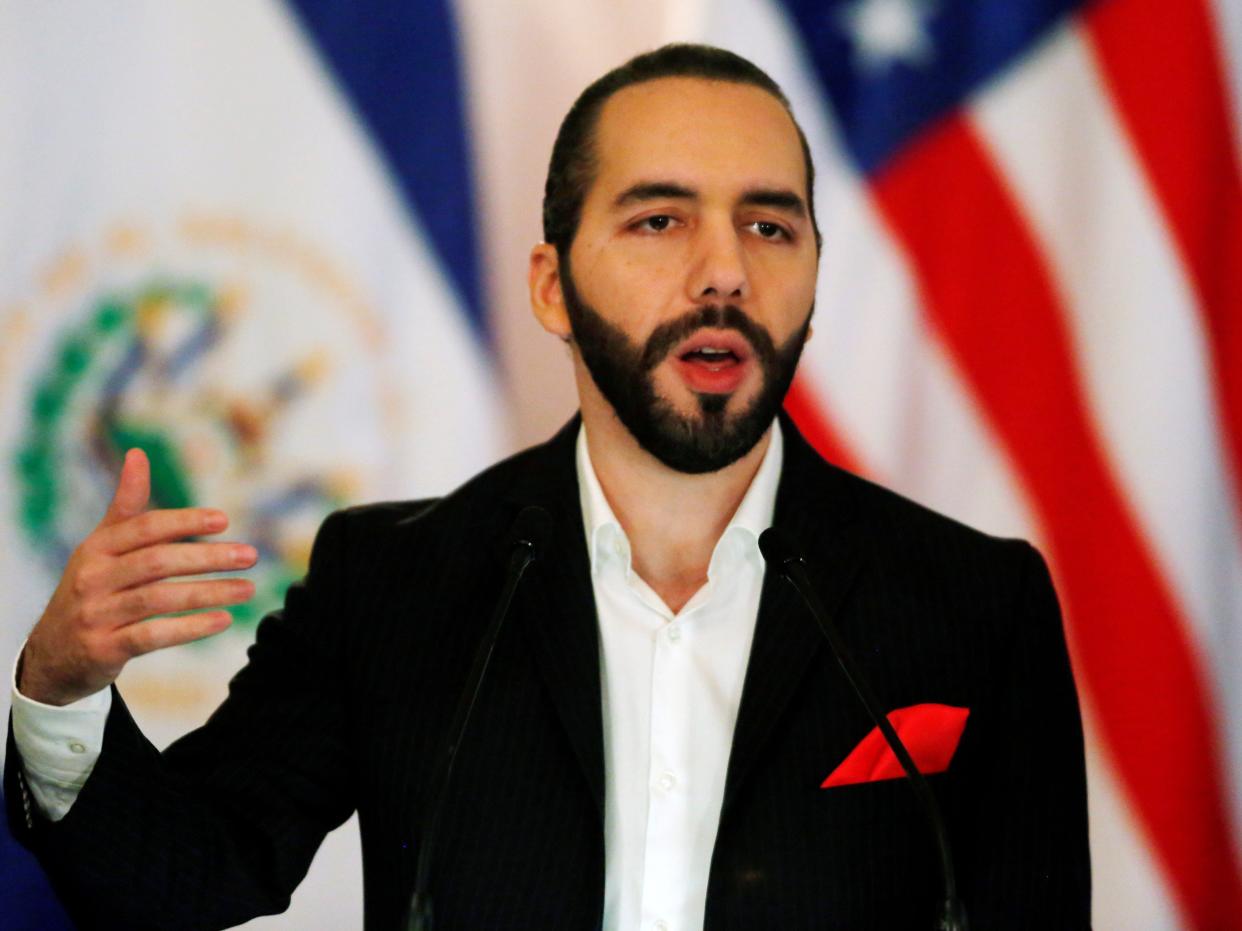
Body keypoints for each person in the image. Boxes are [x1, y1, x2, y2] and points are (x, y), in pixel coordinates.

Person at [6, 44, 1090, 929]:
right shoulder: (394, 583)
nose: (725, 270)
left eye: (770, 226)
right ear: (552, 287)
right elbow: (188, 875)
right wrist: (59, 694)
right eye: (659, 219)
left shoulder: (973, 603)